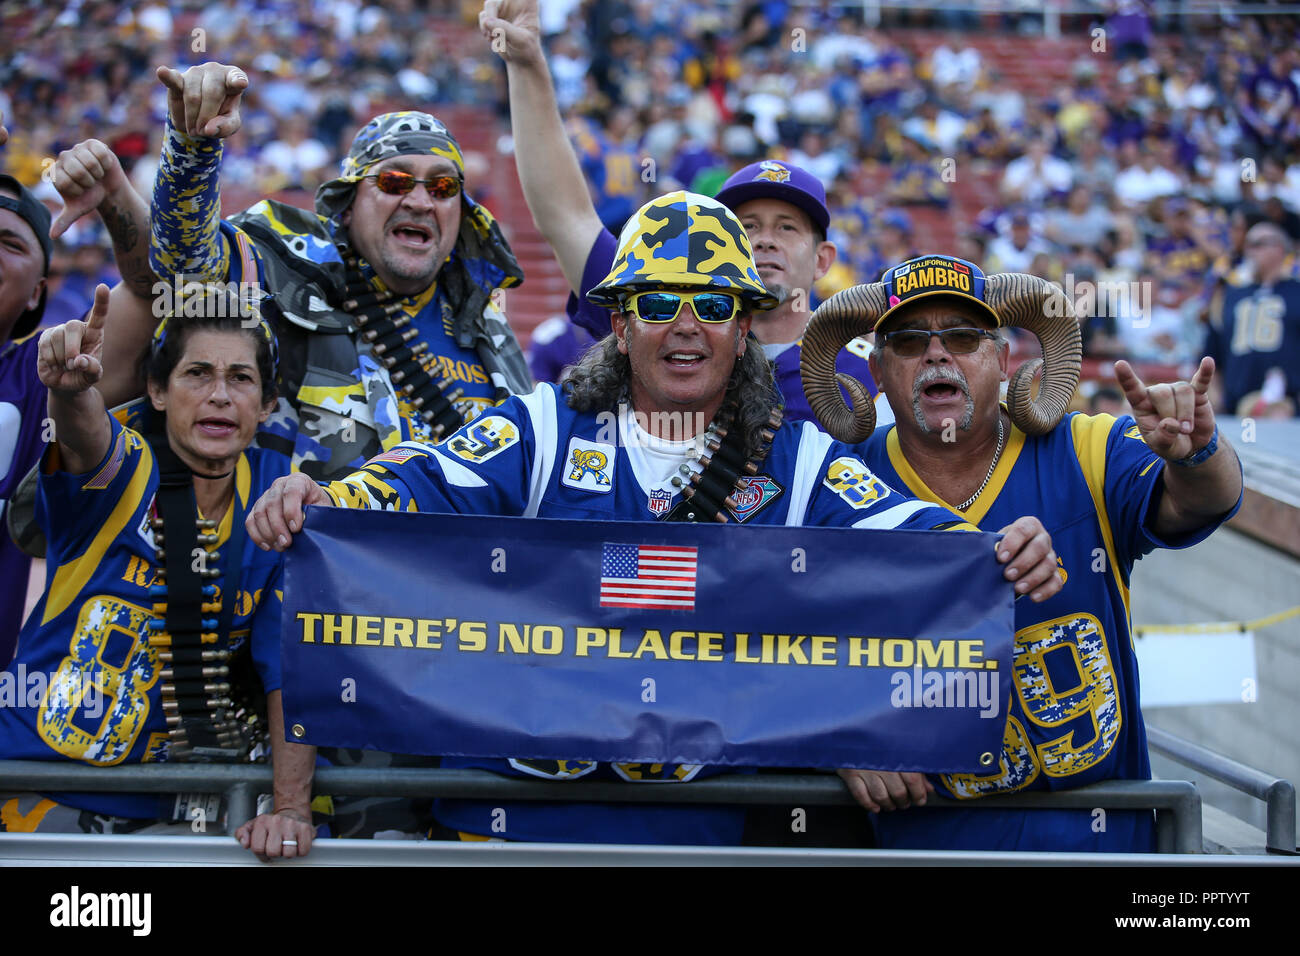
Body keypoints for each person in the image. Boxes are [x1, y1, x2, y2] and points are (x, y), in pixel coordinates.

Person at [237, 193, 1066, 856]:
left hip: (696, 841)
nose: (684, 324)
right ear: (622, 321)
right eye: (658, 301)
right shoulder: (541, 430)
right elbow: (417, 482)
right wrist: (325, 498)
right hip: (501, 837)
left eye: (711, 303)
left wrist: (999, 550)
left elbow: (919, 539)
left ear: (745, 328)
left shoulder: (796, 461)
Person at [801, 253, 1244, 851]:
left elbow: (1201, 502)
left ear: (1003, 360)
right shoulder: (839, 481)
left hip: (1096, 842)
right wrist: (840, 740)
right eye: (907, 342)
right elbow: (790, 646)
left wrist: (1197, 450)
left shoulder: (1087, 447)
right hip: (923, 849)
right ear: (877, 372)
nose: (937, 354)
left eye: (963, 337)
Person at [478, 0, 881, 428]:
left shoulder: (866, 372)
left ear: (823, 259)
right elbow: (565, 216)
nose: (764, 240)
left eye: (787, 227)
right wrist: (526, 63)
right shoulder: (655, 310)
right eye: (746, 227)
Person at [146, 62, 533, 482]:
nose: (421, 202)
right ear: (347, 205)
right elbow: (185, 267)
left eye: (442, 188)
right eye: (394, 181)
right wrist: (193, 146)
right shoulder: (289, 273)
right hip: (308, 544)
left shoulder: (485, 328)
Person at [0, 286, 291, 835]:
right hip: (36, 789)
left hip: (173, 808)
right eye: (197, 373)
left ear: (268, 405)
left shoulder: (275, 498)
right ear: (157, 391)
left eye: (242, 379)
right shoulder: (125, 466)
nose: (221, 396)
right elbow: (88, 440)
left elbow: (284, 672)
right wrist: (71, 393)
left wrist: (289, 807)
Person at [2, 119, 163, 666]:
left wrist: (115, 194)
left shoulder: (45, 373)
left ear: (36, 295)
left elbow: (154, 291)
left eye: (8, 243)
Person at [1204, 222, 1300, 417]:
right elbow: (1211, 353)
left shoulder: (1296, 292)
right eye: (1247, 244)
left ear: (1279, 248)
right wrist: (1216, 399)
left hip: (1289, 408)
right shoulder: (1229, 295)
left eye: (1257, 244)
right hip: (1235, 407)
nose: (1249, 250)